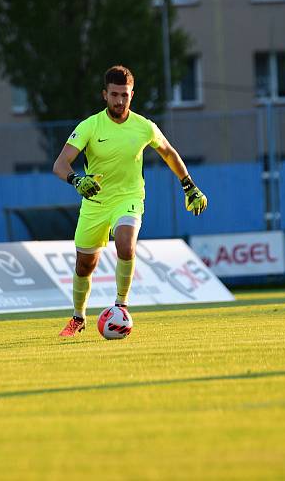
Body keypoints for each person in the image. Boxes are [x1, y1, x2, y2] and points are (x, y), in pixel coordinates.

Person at [52, 65, 208, 337]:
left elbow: (169, 153)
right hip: (95, 203)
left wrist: (189, 185)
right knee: (84, 265)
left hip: (129, 198)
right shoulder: (90, 126)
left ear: (132, 95)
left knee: (126, 244)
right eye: (114, 95)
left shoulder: (144, 126)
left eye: (124, 95)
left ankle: (120, 306)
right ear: (105, 95)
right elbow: (60, 163)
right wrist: (76, 180)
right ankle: (78, 317)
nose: (119, 101)